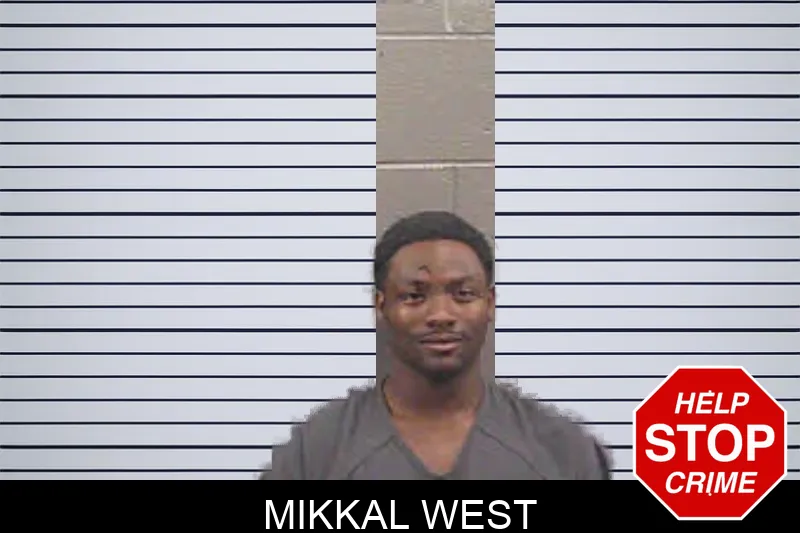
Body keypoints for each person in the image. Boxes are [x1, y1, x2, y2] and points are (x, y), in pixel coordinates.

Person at [260, 210, 612, 480]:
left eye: (463, 294)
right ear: (381, 306)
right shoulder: (317, 451)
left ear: (490, 303)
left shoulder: (561, 449)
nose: (441, 314)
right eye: (414, 296)